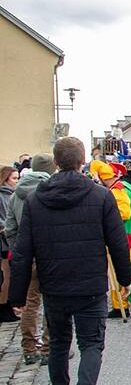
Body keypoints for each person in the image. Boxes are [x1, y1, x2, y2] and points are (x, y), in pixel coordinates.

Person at [9, 137, 131, 385]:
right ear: (82, 162)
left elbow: (23, 250)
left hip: (54, 284)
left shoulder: (37, 199)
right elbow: (117, 241)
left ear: (56, 162)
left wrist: (17, 295)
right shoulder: (101, 196)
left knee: (60, 343)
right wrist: (126, 279)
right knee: (91, 343)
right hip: (90, 283)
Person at [4, 153, 55, 362]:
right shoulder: (51, 190)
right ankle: (48, 348)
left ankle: (29, 349)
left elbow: (10, 228)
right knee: (52, 302)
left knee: (29, 303)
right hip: (50, 255)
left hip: (26, 257)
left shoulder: (17, 194)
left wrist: (18, 250)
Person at [88, 161, 131, 318]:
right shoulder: (126, 186)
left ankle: (120, 306)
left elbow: (124, 213)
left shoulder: (116, 191)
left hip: (127, 237)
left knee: (119, 271)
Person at [0, 166, 20, 322]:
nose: (17, 181)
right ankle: (4, 307)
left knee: (9, 275)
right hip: (3, 241)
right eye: (14, 178)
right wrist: (7, 227)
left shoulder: (13, 195)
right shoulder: (2, 196)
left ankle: (7, 305)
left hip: (9, 239)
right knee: (6, 275)